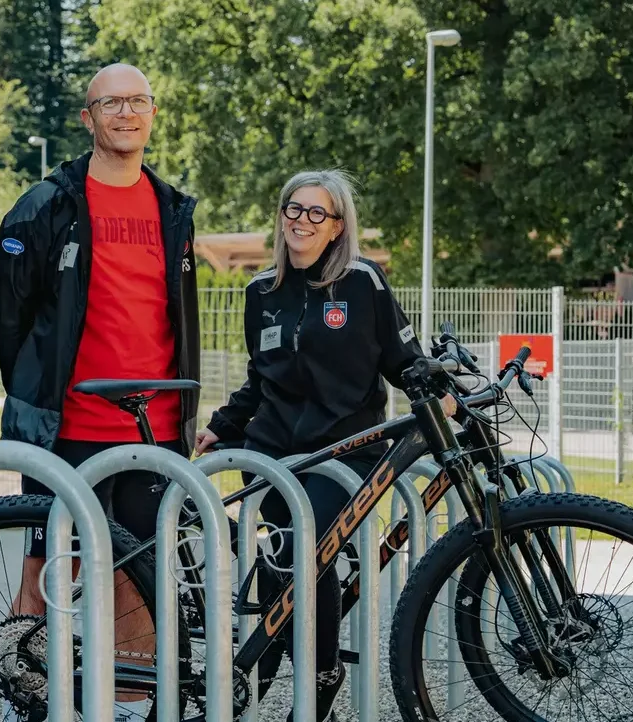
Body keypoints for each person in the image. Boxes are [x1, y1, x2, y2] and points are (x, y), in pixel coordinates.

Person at [0, 62, 200, 717]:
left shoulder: (172, 209)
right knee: (50, 565)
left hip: (153, 424)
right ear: (88, 117)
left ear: (153, 113)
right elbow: (7, 316)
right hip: (68, 425)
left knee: (137, 576)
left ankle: (132, 701)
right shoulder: (48, 203)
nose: (126, 113)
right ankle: (31, 688)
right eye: (111, 103)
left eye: (138, 101)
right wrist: (39, 387)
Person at [195, 169, 447, 722]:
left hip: (344, 453)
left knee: (309, 551)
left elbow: (402, 361)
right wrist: (222, 423)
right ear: (281, 215)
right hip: (274, 453)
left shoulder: (363, 283)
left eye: (317, 213)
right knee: (279, 561)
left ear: (337, 227)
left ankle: (322, 674)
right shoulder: (260, 292)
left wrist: (442, 392)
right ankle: (255, 679)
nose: (301, 221)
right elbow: (260, 380)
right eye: (293, 209)